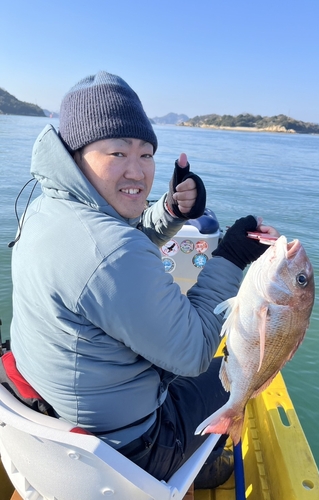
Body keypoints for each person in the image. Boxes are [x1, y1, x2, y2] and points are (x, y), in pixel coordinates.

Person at [7, 71, 279, 487]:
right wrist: (232, 255)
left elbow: (113, 243)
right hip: (134, 449)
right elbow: (195, 351)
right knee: (230, 372)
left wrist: (169, 211)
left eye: (147, 155)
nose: (137, 172)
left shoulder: (45, 209)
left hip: (49, 407)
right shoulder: (111, 253)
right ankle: (202, 466)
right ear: (76, 154)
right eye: (117, 153)